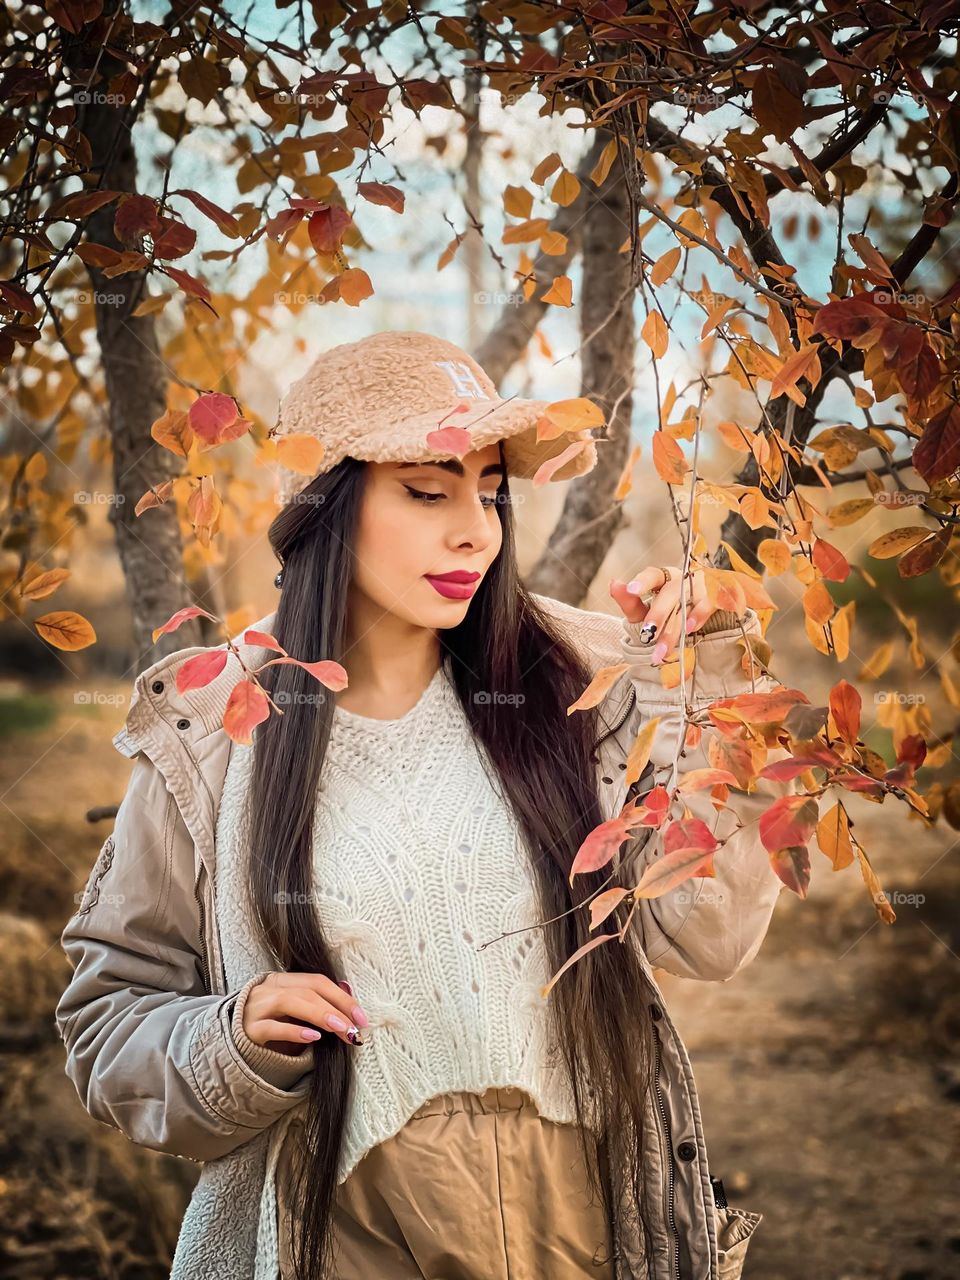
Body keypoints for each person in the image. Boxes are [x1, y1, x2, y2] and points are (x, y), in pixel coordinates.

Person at [55, 331, 803, 1280]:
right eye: (426, 490)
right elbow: (106, 1015)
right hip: (337, 1235)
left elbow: (709, 938)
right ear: (327, 508)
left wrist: (706, 689)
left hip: (580, 1233)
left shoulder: (581, 686)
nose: (476, 531)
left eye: (490, 491)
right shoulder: (213, 730)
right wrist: (232, 1040)